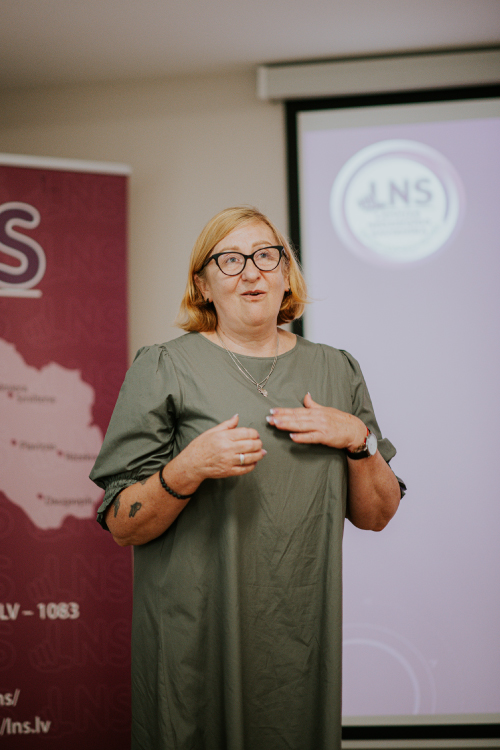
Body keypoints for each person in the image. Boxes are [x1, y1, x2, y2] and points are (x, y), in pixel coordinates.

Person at [90, 206, 403, 750]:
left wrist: (358, 438)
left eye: (266, 256)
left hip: (300, 644)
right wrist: (188, 468)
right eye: (230, 260)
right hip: (194, 642)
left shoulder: (338, 369)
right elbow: (122, 524)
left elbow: (377, 515)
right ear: (203, 285)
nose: (252, 272)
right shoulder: (163, 367)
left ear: (286, 274)